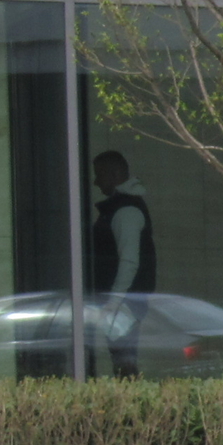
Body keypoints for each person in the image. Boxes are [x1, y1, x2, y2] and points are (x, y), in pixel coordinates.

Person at [87, 151, 156, 377]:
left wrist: (112, 303)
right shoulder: (122, 208)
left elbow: (129, 262)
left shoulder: (125, 211)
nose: (96, 182)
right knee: (122, 360)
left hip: (123, 305)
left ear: (115, 174)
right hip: (123, 303)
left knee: (123, 362)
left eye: (100, 175)